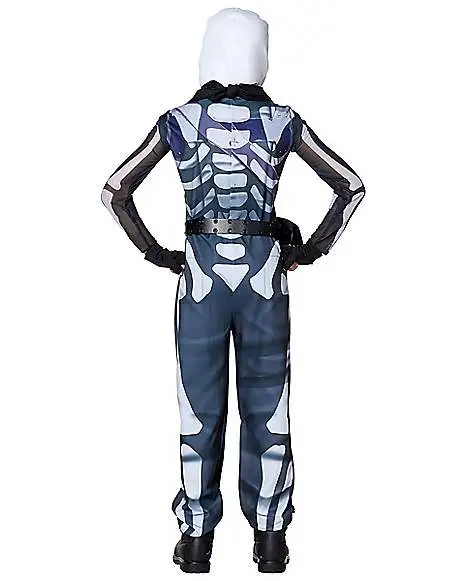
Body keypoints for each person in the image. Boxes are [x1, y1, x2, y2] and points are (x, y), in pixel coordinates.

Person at [101, 8, 365, 574]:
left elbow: (116, 190)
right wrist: (308, 250)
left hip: (200, 278)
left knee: (198, 408)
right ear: (260, 57)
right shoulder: (282, 122)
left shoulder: (180, 121)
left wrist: (159, 254)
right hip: (265, 277)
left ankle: (197, 539)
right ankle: (270, 540)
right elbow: (350, 186)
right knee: (269, 405)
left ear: (208, 54)